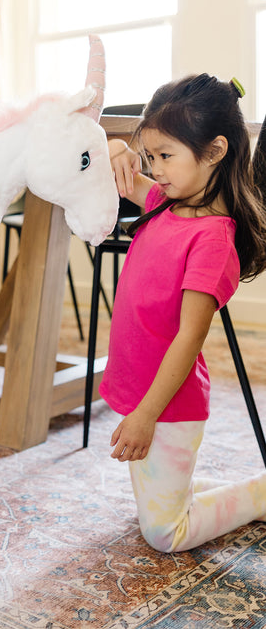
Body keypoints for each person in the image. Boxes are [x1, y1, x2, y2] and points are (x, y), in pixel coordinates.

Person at [100, 73, 266, 552]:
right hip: (142, 392)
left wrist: (146, 415)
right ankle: (183, 484)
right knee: (159, 504)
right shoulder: (164, 204)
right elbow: (118, 168)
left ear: (214, 152)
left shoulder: (213, 239)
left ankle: (260, 492)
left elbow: (189, 338)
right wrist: (115, 146)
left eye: (165, 156)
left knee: (163, 535)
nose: (156, 169)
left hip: (168, 405)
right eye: (151, 157)